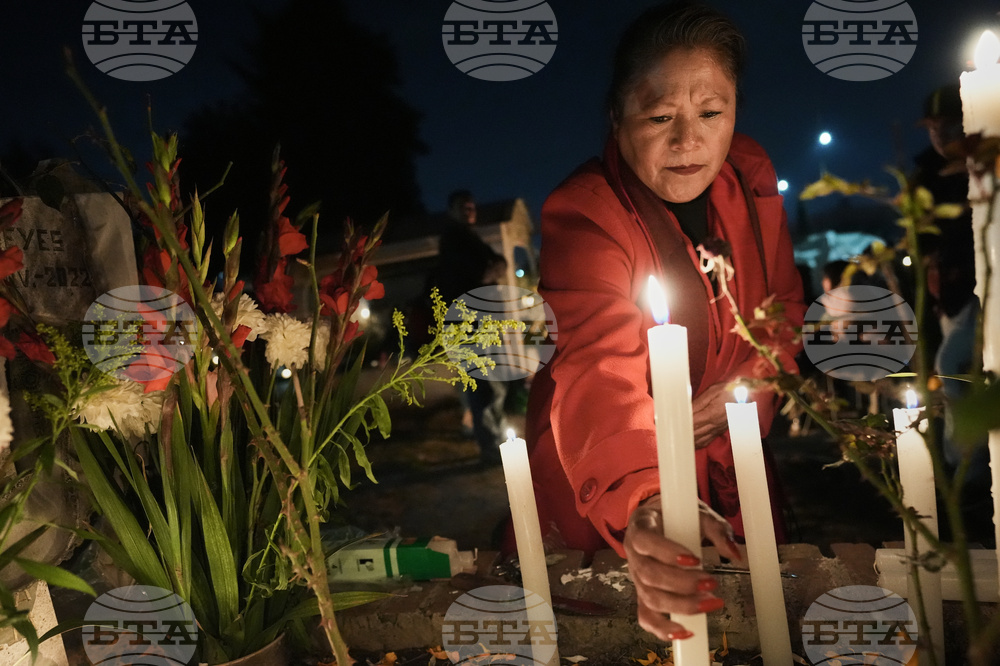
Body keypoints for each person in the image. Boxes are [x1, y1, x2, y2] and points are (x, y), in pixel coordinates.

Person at [518, 2, 805, 641]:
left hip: (730, 457)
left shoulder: (749, 182)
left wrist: (744, 392)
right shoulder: (588, 214)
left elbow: (781, 312)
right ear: (616, 116)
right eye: (658, 115)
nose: (688, 140)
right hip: (610, 461)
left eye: (711, 112)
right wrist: (645, 501)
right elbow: (595, 365)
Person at [431, 190, 509, 464]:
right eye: (463, 207)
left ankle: (497, 442)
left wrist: (490, 269)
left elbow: (500, 262)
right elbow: (465, 273)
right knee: (482, 386)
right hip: (468, 323)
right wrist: (484, 273)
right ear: (452, 210)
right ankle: (491, 449)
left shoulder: (470, 237)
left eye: (472, 207)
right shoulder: (453, 239)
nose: (470, 211)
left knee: (493, 385)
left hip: (484, 320)